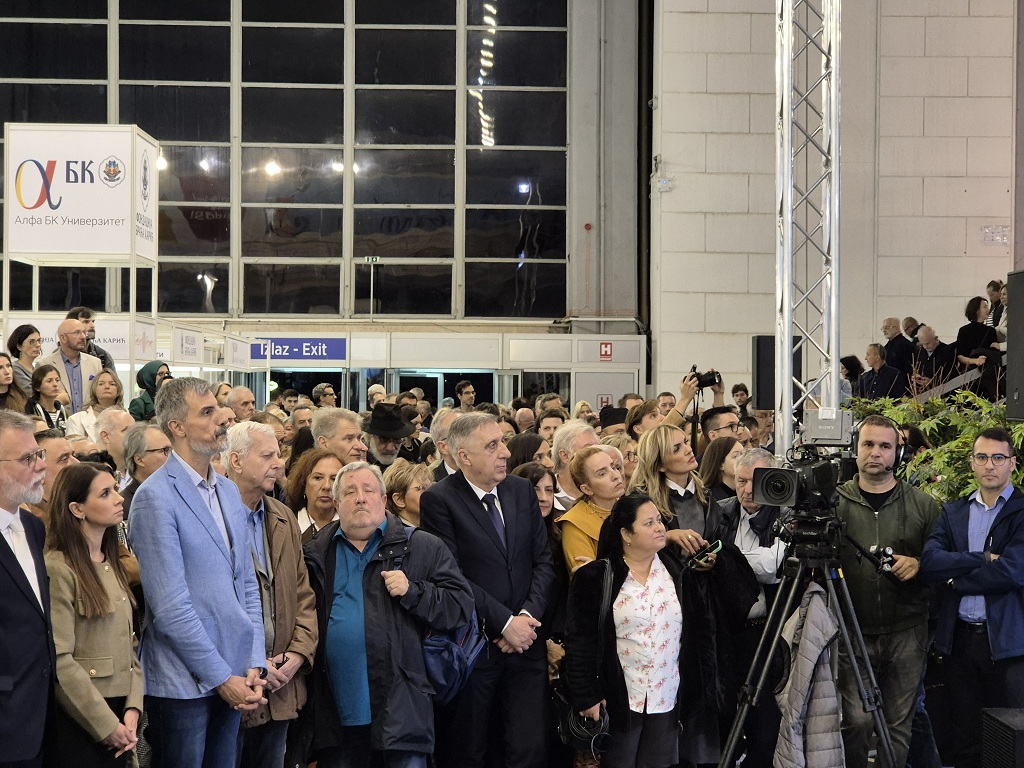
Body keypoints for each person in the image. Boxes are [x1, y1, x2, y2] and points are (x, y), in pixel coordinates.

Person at [127, 377, 267, 768]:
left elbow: (247, 586)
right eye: (206, 413)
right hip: (182, 683)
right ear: (177, 427)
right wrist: (222, 678)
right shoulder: (154, 497)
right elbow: (170, 607)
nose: (221, 420)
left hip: (235, 672)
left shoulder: (226, 490)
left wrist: (253, 660)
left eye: (217, 410)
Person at [302, 462, 474, 768]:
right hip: (335, 716)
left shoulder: (422, 546)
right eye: (350, 492)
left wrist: (414, 592)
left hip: (403, 712)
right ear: (337, 503)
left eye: (369, 490)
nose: (360, 498)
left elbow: (460, 607)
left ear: (384, 500)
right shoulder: (315, 553)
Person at [419, 413, 556, 768]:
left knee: (529, 749)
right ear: (464, 456)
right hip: (476, 647)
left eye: (503, 443)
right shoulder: (440, 499)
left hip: (528, 641)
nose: (505, 453)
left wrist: (525, 618)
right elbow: (453, 575)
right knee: (471, 750)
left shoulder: (520, 489)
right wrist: (504, 623)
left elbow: (542, 560)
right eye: (492, 445)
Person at [835, 415, 941, 768]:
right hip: (852, 630)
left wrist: (921, 564)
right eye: (868, 444)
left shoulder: (924, 505)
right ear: (856, 449)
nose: (876, 453)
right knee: (858, 722)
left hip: (907, 629)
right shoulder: (834, 505)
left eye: (885, 446)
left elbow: (942, 563)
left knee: (898, 725)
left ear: (899, 453)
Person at [921, 428, 1024, 768]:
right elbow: (932, 562)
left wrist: (956, 580)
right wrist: (981, 559)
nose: (989, 465)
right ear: (972, 463)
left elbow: (1012, 572)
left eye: (998, 458)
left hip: (1008, 645)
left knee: (1009, 741)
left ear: (1012, 463)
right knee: (965, 739)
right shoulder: (954, 513)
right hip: (960, 643)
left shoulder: (1022, 513)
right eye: (982, 457)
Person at [564, 492, 688, 768]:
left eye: (659, 520)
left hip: (666, 697)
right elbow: (580, 641)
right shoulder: (595, 577)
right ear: (626, 534)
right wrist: (587, 695)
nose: (659, 528)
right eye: (648, 523)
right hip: (618, 700)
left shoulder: (675, 570)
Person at [223, 422, 318, 768]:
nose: (278, 463)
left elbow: (302, 595)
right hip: (235, 683)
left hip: (281, 682)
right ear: (235, 461)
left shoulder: (282, 517)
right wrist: (256, 660)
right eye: (267, 456)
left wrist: (297, 654)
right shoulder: (212, 515)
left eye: (278, 454)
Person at [45, 462, 143, 766]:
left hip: (121, 711)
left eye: (115, 488)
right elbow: (60, 659)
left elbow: (131, 645)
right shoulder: (58, 568)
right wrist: (105, 724)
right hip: (84, 715)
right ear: (77, 509)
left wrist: (133, 707)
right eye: (105, 493)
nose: (119, 498)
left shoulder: (111, 559)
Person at [717, 448, 789, 768]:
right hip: (725, 635)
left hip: (769, 636)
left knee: (765, 730)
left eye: (756, 481)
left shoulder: (786, 514)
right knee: (723, 727)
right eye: (741, 480)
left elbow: (773, 569)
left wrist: (726, 560)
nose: (747, 490)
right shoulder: (719, 511)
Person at [0, 410, 55, 768]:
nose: (40, 467)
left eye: (39, 455)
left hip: (41, 719)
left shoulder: (33, 528)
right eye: (26, 458)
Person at [557, 445, 625, 574]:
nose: (616, 475)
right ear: (586, 489)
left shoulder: (632, 507)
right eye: (602, 473)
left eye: (614, 467)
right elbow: (588, 578)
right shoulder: (575, 522)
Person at [36, 318, 104, 415]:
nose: (83, 337)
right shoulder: (45, 364)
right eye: (77, 333)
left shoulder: (95, 363)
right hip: (59, 423)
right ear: (63, 338)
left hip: (89, 425)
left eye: (84, 332)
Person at [286, 448, 344, 540]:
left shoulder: (352, 527)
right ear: (303, 484)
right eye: (318, 478)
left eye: (334, 479)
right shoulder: (285, 526)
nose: (327, 486)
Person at [120, 424, 172, 518]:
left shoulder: (178, 492)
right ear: (139, 460)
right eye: (165, 450)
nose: (171, 457)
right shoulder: (124, 506)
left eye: (171, 450)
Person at [551, 419, 600, 513]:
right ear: (565, 456)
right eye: (588, 450)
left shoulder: (603, 492)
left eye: (598, 449)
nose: (597, 456)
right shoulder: (547, 493)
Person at [65, 370, 125, 443]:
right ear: (94, 389)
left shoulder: (128, 418)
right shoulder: (76, 419)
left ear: (118, 389)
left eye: (112, 384)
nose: (107, 387)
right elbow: (73, 450)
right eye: (101, 384)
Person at [382, 458, 433, 528]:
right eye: (423, 488)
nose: (432, 492)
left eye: (432, 487)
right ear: (399, 499)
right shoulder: (396, 535)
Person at [363, 402, 415, 470]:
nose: (390, 448)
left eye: (397, 440)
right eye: (384, 440)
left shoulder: (407, 464)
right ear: (369, 438)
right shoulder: (358, 462)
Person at [66, 306, 116, 371]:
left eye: (93, 321)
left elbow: (112, 380)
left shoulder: (102, 356)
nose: (92, 326)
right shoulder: (58, 356)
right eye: (86, 322)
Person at [697, 435, 744, 501]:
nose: (743, 460)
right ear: (720, 464)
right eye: (736, 456)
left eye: (744, 455)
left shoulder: (746, 491)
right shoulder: (709, 499)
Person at [26, 363, 70, 432]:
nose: (55, 384)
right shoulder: (31, 410)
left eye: (57, 380)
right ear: (37, 387)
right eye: (49, 381)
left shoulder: (63, 411)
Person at [8, 323, 42, 395]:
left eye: (39, 340)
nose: (38, 345)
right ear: (19, 346)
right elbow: (30, 392)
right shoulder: (15, 369)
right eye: (32, 342)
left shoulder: (37, 368)